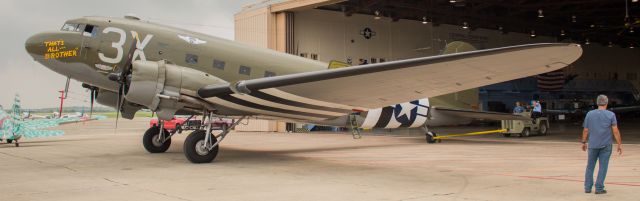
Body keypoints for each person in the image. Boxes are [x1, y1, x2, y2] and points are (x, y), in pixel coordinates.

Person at [581, 95, 623, 194]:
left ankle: (587, 188)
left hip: (592, 145)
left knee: (590, 166)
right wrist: (619, 144)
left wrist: (583, 142)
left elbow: (586, 130)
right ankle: (599, 188)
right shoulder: (611, 115)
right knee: (603, 167)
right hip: (606, 145)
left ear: (597, 103)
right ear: (606, 103)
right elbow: (615, 131)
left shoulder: (589, 114)